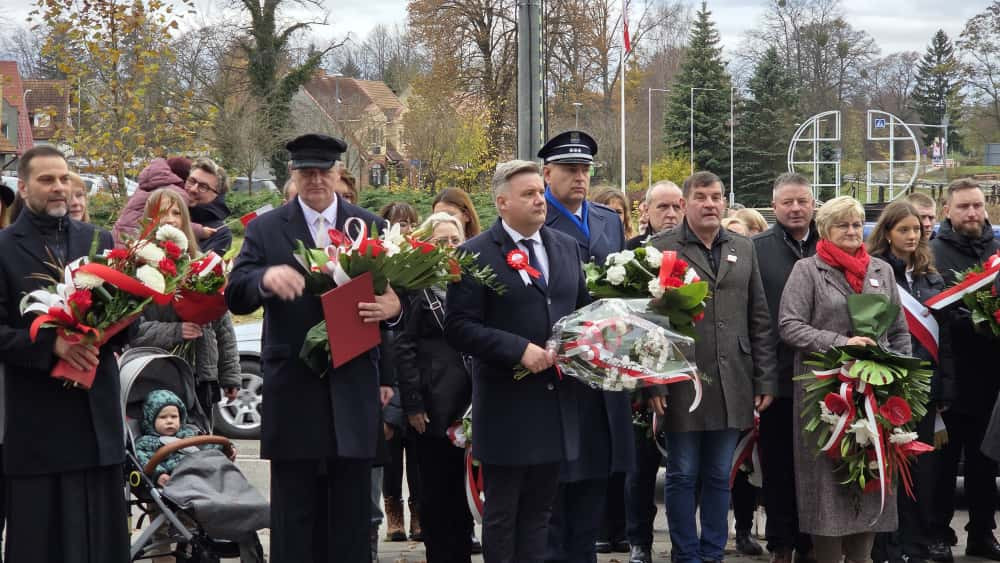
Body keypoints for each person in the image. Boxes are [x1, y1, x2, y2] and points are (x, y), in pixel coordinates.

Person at [226, 133, 402, 562]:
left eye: (324, 171)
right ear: (293, 175)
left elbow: (399, 302)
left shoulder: (369, 226)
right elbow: (236, 294)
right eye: (307, 172)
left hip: (353, 387)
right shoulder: (267, 228)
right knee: (295, 516)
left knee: (352, 518)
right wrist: (264, 279)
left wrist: (393, 308)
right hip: (295, 388)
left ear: (339, 173)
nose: (316, 180)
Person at [445, 159, 588, 563]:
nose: (540, 200)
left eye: (540, 192)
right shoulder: (473, 254)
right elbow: (459, 327)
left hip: (555, 402)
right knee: (503, 514)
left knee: (540, 513)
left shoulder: (565, 246)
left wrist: (591, 342)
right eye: (529, 194)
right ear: (502, 203)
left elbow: (581, 311)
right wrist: (518, 349)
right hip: (506, 407)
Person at [0, 145, 128, 562]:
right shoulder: (4, 248)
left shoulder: (99, 239)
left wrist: (111, 327)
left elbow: (128, 319)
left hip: (96, 421)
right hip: (40, 427)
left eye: (63, 178)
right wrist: (52, 344)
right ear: (23, 187)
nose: (59, 187)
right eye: (46, 180)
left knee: (101, 544)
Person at [646, 171, 777, 563]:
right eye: (701, 197)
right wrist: (653, 383)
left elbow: (759, 317)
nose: (709, 204)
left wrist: (764, 378)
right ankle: (686, 553)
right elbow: (647, 323)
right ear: (684, 203)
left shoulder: (744, 247)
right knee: (683, 474)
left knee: (721, 474)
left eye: (716, 197)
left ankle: (713, 552)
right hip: (682, 379)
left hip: (732, 378)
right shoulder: (661, 247)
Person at [778, 195, 910, 563]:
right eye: (843, 225)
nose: (852, 231)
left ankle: (862, 558)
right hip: (826, 395)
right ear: (824, 230)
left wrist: (898, 372)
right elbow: (789, 325)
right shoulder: (807, 270)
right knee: (827, 484)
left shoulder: (881, 271)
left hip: (876, 393)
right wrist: (841, 343)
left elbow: (899, 330)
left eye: (856, 224)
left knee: (871, 476)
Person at [538, 130, 635, 560]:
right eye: (570, 170)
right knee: (554, 499)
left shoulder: (607, 220)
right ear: (547, 174)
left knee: (594, 486)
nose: (580, 177)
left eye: (585, 170)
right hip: (558, 369)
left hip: (604, 371)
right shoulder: (536, 220)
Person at [866, 200, 950, 563]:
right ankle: (887, 545)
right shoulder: (875, 273)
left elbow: (944, 338)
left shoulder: (932, 276)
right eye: (904, 229)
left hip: (926, 388)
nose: (913, 235)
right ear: (887, 233)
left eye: (917, 229)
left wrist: (944, 387)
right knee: (889, 467)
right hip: (890, 385)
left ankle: (916, 544)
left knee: (921, 470)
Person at [929, 179, 1000, 562]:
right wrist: (969, 320)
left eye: (976, 205)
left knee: (985, 463)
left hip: (991, 378)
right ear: (947, 211)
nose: (972, 213)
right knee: (943, 465)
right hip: (950, 376)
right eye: (963, 207)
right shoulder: (933, 252)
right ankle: (938, 534)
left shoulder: (997, 250)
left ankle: (982, 533)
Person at [397, 212, 474, 562]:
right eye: (441, 241)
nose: (449, 247)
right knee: (435, 491)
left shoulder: (471, 281)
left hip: (469, 403)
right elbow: (405, 347)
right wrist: (413, 403)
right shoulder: (417, 286)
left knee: (463, 491)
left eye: (455, 240)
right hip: (433, 405)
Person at [751, 172, 819, 563]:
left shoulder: (829, 245)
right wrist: (761, 378)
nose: (795, 208)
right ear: (773, 206)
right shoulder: (755, 250)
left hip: (823, 378)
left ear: (813, 204)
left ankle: (812, 543)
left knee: (815, 469)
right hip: (776, 377)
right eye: (787, 202)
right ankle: (781, 543)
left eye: (802, 201)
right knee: (777, 467)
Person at [131, 188, 242, 423]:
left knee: (200, 441)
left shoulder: (203, 264)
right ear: (150, 219)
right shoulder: (136, 267)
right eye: (162, 213)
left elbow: (222, 326)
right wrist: (176, 331)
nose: (170, 219)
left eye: (176, 213)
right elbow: (130, 329)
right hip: (155, 376)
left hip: (201, 377)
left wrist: (230, 375)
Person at [377, 200, 423, 544]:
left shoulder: (420, 265)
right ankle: (393, 510)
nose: (406, 229)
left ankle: (419, 509)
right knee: (391, 450)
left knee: (419, 451)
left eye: (410, 223)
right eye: (399, 223)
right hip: (389, 369)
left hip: (418, 370)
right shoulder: (380, 265)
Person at [134, 390, 228, 487]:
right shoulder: (146, 443)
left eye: (174, 416)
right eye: (163, 417)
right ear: (150, 420)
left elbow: (207, 446)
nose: (169, 421)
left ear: (181, 418)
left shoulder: (189, 433)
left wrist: (225, 448)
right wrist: (158, 475)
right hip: (175, 478)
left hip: (201, 471)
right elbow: (144, 461)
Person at [112, 157, 188, 244]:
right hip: (139, 242)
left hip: (120, 236)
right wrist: (200, 229)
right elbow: (184, 223)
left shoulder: (144, 186)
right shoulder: (176, 192)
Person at [185, 157, 233, 255]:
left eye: (203, 187)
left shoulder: (220, 233)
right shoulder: (168, 209)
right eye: (192, 181)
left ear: (217, 195)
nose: (193, 189)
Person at [627, 180, 683, 250]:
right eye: (663, 207)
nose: (672, 214)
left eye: (677, 207)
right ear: (646, 210)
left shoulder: (694, 248)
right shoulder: (632, 249)